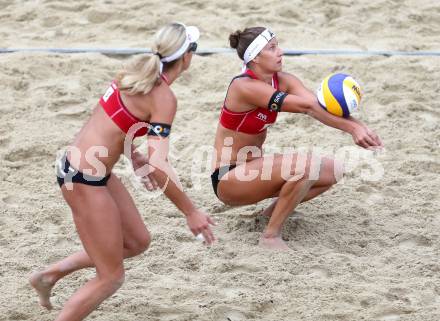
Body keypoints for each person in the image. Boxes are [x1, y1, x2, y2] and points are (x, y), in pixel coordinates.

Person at [30, 22, 215, 321]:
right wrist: (191, 212)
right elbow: (161, 165)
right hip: (82, 178)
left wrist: (133, 152)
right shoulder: (163, 97)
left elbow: (107, 120)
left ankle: (49, 275)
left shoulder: (134, 74)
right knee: (110, 278)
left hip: (85, 168)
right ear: (186, 57)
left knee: (136, 241)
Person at [211, 27, 383, 251]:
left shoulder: (282, 80)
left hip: (253, 169)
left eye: (277, 45)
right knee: (307, 165)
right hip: (229, 178)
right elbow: (307, 108)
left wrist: (361, 127)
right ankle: (270, 237)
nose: (280, 52)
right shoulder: (244, 86)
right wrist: (352, 129)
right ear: (254, 58)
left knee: (334, 170)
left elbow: (318, 105)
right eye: (272, 48)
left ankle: (267, 216)